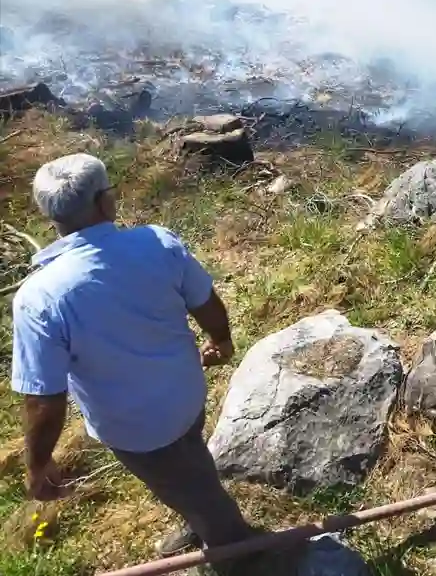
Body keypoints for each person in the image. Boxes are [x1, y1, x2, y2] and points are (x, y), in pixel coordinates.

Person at [10, 153, 257, 567]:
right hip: (186, 394)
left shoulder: (39, 299)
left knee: (189, 486)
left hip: (134, 429)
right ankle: (200, 515)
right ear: (105, 202)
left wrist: (36, 463)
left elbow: (44, 400)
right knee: (188, 464)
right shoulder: (157, 243)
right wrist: (221, 340)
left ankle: (235, 549)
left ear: (51, 216)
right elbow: (206, 302)